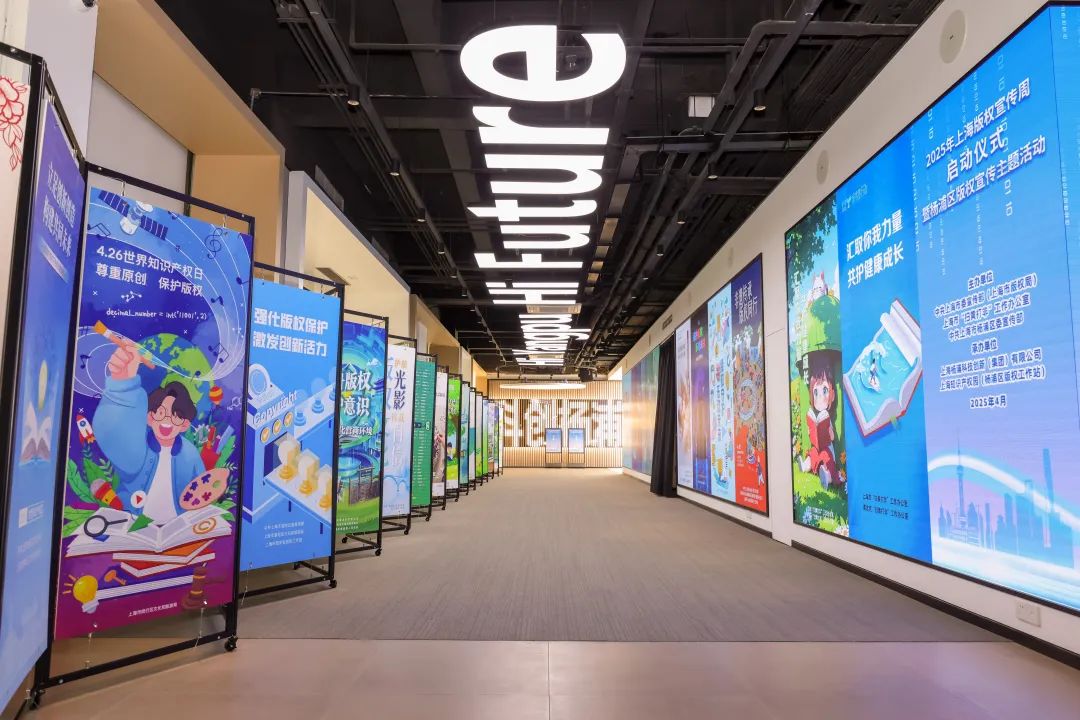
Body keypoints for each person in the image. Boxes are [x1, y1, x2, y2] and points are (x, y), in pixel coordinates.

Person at [94, 339, 204, 522]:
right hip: (130, 522)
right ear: (149, 417)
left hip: (179, 527)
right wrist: (122, 385)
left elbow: (202, 487)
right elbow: (113, 433)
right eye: (160, 413)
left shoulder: (190, 453)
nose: (166, 421)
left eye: (175, 416)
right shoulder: (138, 444)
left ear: (185, 424)